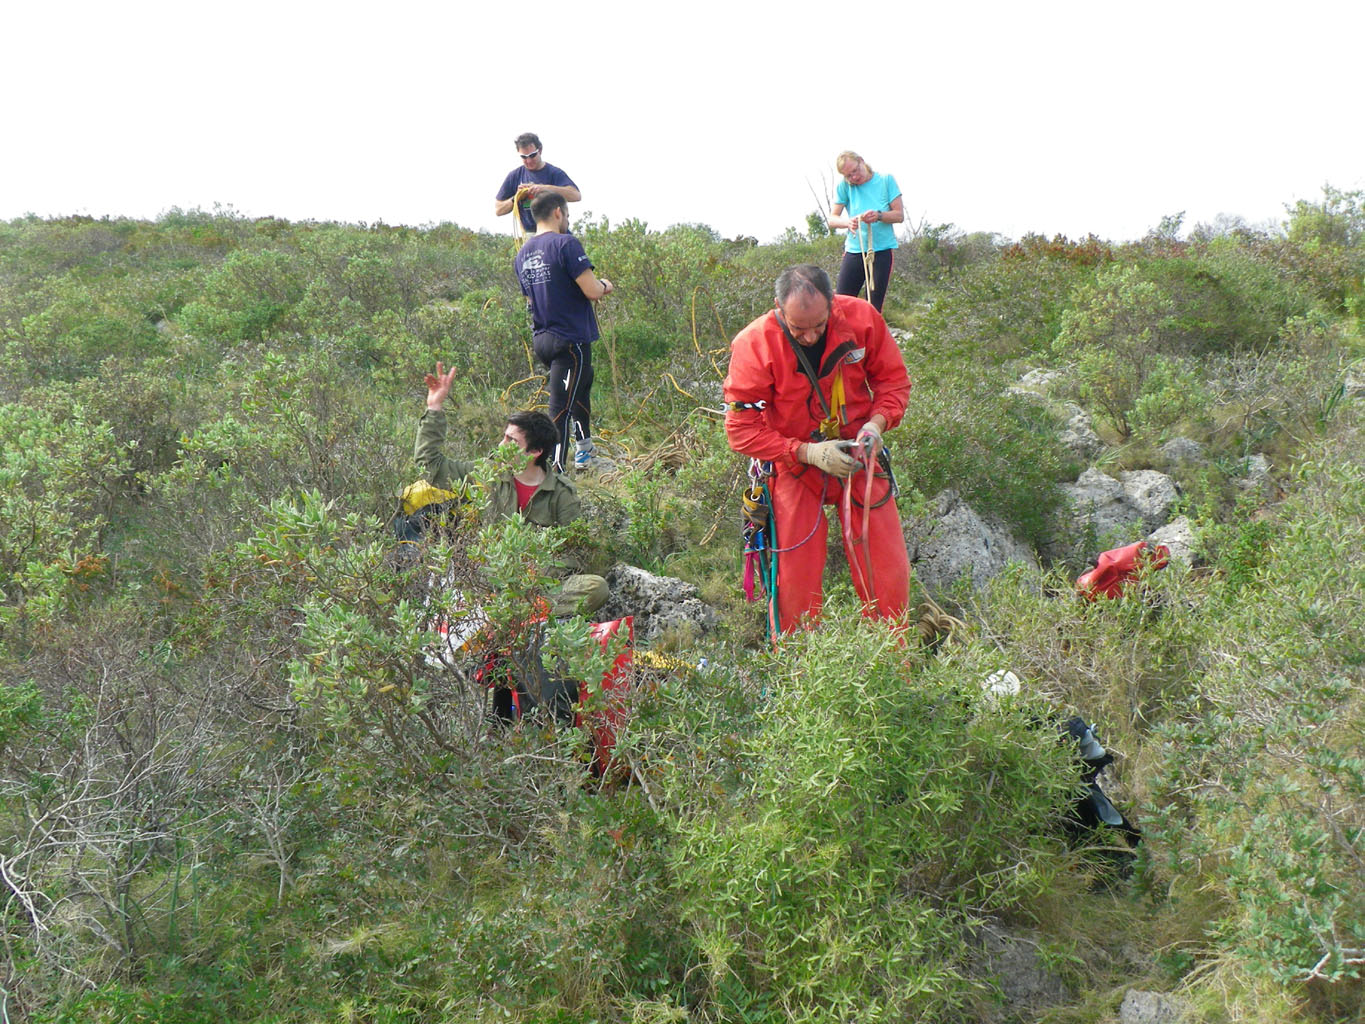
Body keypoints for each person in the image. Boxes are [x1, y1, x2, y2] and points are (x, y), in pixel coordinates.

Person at [724, 264, 912, 633]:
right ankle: (798, 660)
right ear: (778, 307)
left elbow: (893, 382)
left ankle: (893, 656)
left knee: (888, 569)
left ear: (832, 304)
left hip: (858, 455)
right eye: (798, 329)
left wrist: (876, 424)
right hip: (795, 465)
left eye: (819, 326)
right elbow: (741, 430)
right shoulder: (755, 344)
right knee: (794, 579)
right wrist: (808, 453)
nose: (810, 337)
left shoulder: (862, 320)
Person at [415, 362, 608, 618]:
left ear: (535, 451)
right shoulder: (488, 473)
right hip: (486, 582)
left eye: (511, 441)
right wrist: (434, 407)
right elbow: (431, 467)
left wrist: (535, 572)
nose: (501, 444)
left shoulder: (562, 493)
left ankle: (518, 614)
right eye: (504, 436)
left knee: (596, 587)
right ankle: (513, 614)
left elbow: (576, 552)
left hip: (536, 587)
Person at [514, 192, 613, 472]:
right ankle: (553, 473)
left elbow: (531, 300)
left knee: (580, 390)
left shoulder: (522, 254)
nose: (567, 220)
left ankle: (584, 451)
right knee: (560, 409)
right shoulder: (565, 244)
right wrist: (606, 285)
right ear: (558, 212)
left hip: (543, 340)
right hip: (571, 342)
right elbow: (592, 290)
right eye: (567, 215)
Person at [827, 150, 903, 312]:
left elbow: (899, 215)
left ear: (861, 161)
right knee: (841, 304)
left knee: (873, 307)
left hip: (881, 251)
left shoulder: (886, 180)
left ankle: (871, 328)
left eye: (855, 170)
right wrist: (847, 222)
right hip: (855, 250)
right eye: (848, 175)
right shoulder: (844, 187)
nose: (854, 177)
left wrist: (879, 216)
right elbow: (832, 219)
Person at [494, 132, 582, 236]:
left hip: (556, 233)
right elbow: (498, 210)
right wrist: (516, 198)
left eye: (532, 155)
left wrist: (544, 189)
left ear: (540, 150)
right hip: (531, 235)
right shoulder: (515, 176)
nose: (529, 160)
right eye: (524, 157)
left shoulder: (554, 173)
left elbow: (576, 195)